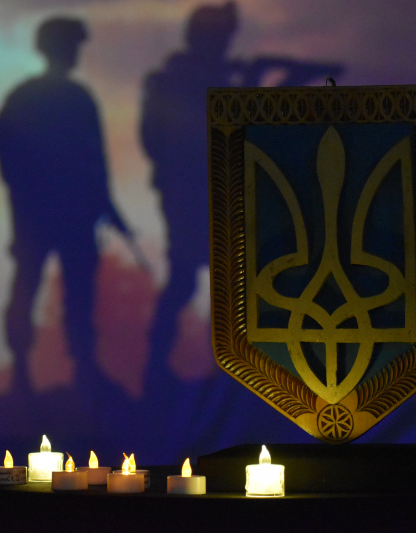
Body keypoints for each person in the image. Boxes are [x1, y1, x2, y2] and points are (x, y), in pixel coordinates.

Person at [140, 1, 342, 391]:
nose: (225, 45)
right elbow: (238, 121)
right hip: (196, 192)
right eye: (220, 37)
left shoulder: (186, 77)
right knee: (201, 281)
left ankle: (195, 370)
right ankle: (176, 371)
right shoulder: (184, 79)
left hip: (205, 191)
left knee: (209, 282)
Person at [0, 17, 125, 393]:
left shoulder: (31, 96)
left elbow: (93, 161)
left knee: (44, 288)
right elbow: (93, 161)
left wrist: (104, 204)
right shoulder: (74, 98)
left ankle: (46, 370)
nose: (76, 53)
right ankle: (41, 370)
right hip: (62, 213)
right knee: (53, 290)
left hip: (50, 213)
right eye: (71, 46)